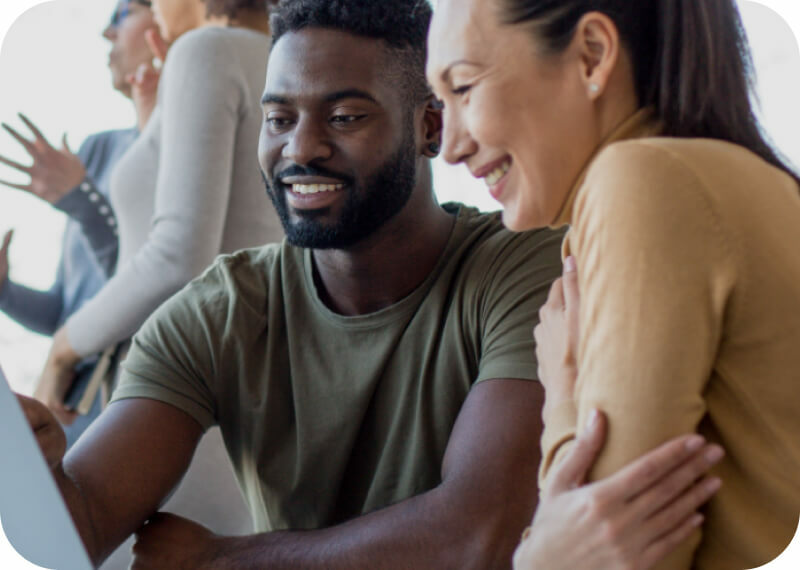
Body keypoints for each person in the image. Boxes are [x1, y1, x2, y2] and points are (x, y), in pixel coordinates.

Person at [19, 1, 722, 568]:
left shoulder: (523, 267)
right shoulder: (219, 310)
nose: (301, 148)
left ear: (430, 126)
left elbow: (476, 536)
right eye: (279, 118)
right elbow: (77, 531)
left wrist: (225, 559)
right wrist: (32, 468)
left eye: (346, 116)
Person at [426, 0, 800, 568]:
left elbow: (609, 548)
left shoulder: (640, 179)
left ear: (592, 56)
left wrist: (563, 392)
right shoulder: (747, 182)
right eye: (439, 101)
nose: (449, 145)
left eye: (464, 88)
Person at [33, 0, 284, 425]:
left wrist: (62, 349)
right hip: (243, 386)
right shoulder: (284, 57)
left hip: (173, 395)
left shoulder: (206, 49)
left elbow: (177, 256)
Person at [0, 0, 159, 447]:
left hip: (125, 398)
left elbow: (154, 283)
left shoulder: (177, 155)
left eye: (121, 15)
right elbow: (63, 312)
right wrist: (5, 293)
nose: (106, 34)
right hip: (69, 409)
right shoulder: (96, 150)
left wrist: (81, 201)